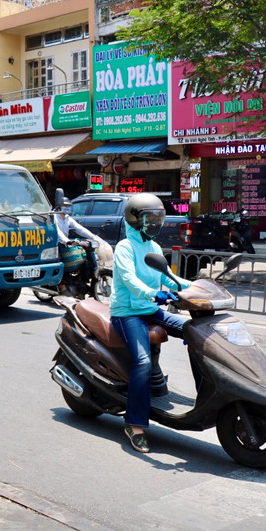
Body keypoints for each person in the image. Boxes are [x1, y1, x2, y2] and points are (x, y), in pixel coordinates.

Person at [110, 193, 190, 454]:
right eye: (150, 217)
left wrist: (197, 287)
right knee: (142, 362)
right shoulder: (124, 247)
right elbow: (131, 280)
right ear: (135, 219)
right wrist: (152, 294)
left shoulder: (154, 248)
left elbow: (167, 279)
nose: (156, 222)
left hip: (150, 309)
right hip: (128, 313)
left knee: (195, 332)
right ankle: (135, 426)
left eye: (158, 217)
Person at [55, 197, 99, 291]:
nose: (67, 208)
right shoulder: (54, 217)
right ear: (59, 206)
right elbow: (58, 232)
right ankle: (62, 285)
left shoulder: (67, 218)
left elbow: (79, 229)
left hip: (66, 243)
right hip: (56, 243)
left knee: (82, 256)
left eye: (69, 206)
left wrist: (93, 237)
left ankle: (81, 279)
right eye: (65, 206)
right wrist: (67, 240)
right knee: (60, 262)